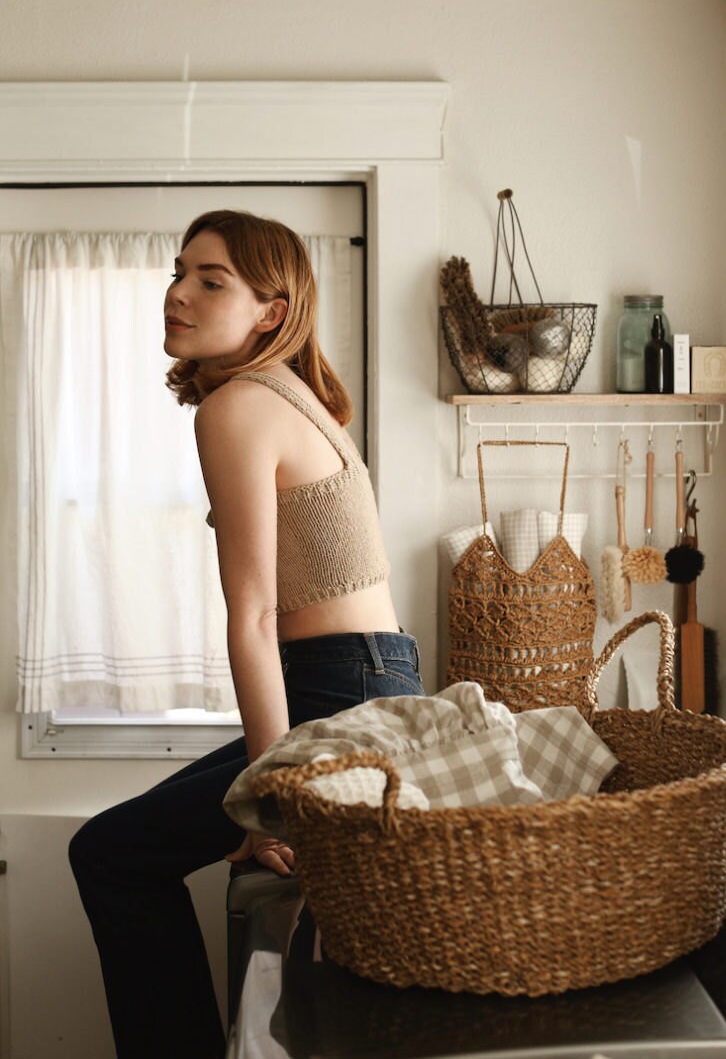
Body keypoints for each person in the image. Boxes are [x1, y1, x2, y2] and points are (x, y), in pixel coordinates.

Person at [69, 209, 425, 1059]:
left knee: (108, 854)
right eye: (178, 272)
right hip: (369, 680)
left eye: (211, 280)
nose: (178, 293)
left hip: (340, 689)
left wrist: (277, 801)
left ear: (271, 310)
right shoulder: (293, 397)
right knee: (125, 849)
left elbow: (256, 617)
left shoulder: (235, 407)